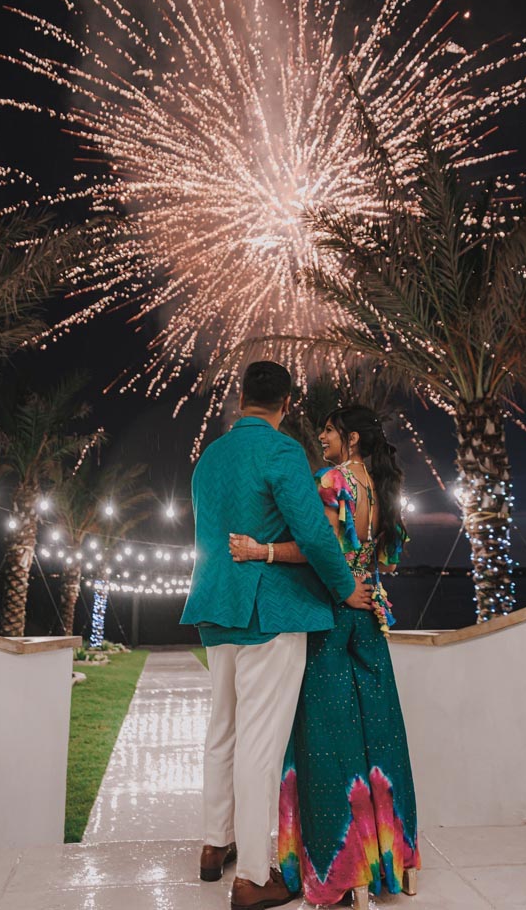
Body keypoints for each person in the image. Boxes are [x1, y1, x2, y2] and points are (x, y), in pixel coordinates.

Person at [181, 364, 373, 910]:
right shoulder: (284, 452)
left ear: (240, 398)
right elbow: (313, 532)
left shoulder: (208, 458)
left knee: (223, 730)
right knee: (261, 744)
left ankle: (215, 846)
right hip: (271, 611)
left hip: (217, 609)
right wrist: (343, 590)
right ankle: (254, 878)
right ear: (286, 403)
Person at [230, 405, 420, 906]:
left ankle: (341, 870)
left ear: (351, 438)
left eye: (330, 430)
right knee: (379, 738)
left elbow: (316, 547)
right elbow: (384, 559)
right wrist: (362, 583)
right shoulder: (384, 489)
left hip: (332, 617)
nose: (322, 435)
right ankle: (392, 865)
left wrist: (260, 550)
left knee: (324, 744)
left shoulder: (332, 481)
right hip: (370, 618)